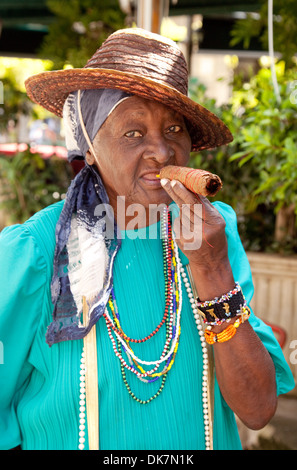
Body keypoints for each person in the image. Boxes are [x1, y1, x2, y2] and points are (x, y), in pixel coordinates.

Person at [0, 28, 294, 451]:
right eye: (133, 133)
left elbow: (257, 408)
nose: (161, 150)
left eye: (174, 128)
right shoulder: (37, 251)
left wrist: (212, 269)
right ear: (90, 145)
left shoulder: (212, 232)